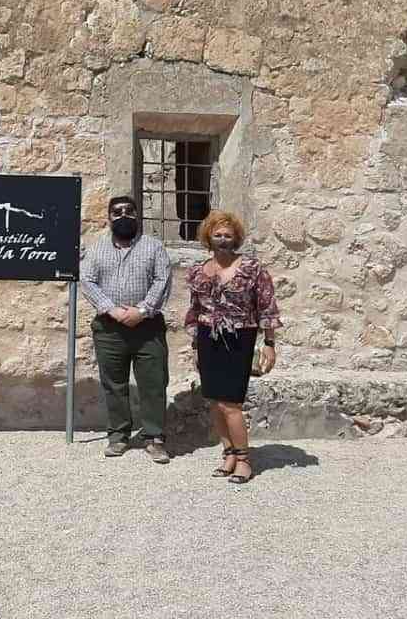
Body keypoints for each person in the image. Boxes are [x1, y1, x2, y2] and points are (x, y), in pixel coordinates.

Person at [185, 211, 282, 485]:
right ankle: (228, 454)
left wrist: (269, 344)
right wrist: (195, 346)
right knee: (214, 402)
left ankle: (244, 460)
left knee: (230, 403)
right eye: (217, 235)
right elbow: (195, 310)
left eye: (228, 235)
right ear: (208, 237)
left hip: (240, 338)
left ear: (236, 238)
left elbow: (267, 307)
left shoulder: (253, 269)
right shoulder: (198, 271)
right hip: (208, 338)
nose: (223, 239)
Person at [80, 196, 174, 463]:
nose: (123, 216)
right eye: (117, 212)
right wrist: (112, 310)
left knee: (153, 383)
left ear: (137, 215)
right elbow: (87, 280)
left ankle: (154, 437)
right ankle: (118, 436)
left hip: (148, 328)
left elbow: (162, 280)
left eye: (129, 211)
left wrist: (141, 311)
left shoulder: (153, 247)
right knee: (114, 384)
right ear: (109, 217)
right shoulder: (96, 249)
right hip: (109, 328)